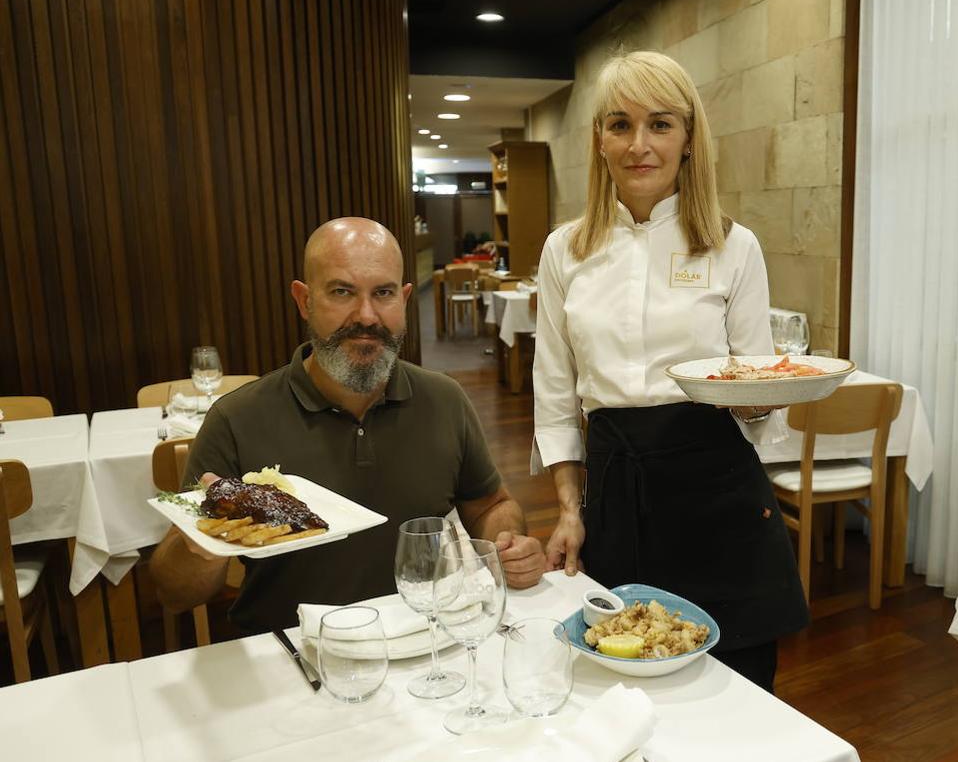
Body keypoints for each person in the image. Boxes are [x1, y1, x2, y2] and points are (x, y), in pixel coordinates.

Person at [533, 51, 808, 692]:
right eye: (620, 125)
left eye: (660, 124)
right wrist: (570, 510)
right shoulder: (564, 249)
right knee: (622, 673)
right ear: (599, 139)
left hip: (717, 486)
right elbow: (554, 395)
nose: (639, 144)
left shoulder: (734, 245)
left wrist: (763, 399)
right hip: (616, 488)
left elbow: (755, 385)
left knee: (738, 684)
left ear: (688, 139)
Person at [151, 217, 545, 634]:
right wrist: (200, 550)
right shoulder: (236, 418)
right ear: (304, 301)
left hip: (422, 641)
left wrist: (509, 545)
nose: (367, 316)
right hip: (291, 652)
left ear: (404, 300)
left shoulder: (444, 399)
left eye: (384, 293)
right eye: (342, 292)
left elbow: (491, 506)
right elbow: (174, 593)